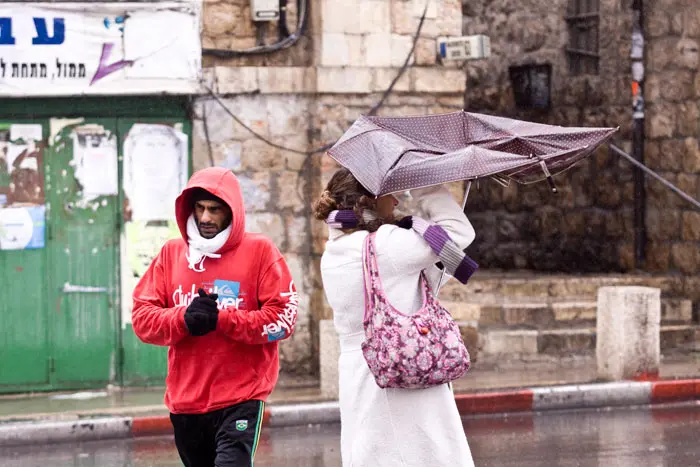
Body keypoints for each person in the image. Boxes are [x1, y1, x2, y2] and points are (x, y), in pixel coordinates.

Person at [132, 166, 298, 467]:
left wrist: (224, 320)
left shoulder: (260, 251)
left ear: (232, 212)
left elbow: (283, 321)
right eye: (199, 208)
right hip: (186, 403)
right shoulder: (171, 254)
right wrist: (183, 319)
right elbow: (142, 321)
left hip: (241, 399)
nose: (205, 218)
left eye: (215, 210)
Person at [313, 168, 476, 467]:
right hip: (403, 367)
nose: (398, 203)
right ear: (368, 201)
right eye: (392, 194)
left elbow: (407, 283)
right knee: (423, 454)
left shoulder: (334, 250)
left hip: (362, 376)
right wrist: (425, 184)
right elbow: (460, 231)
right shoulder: (386, 245)